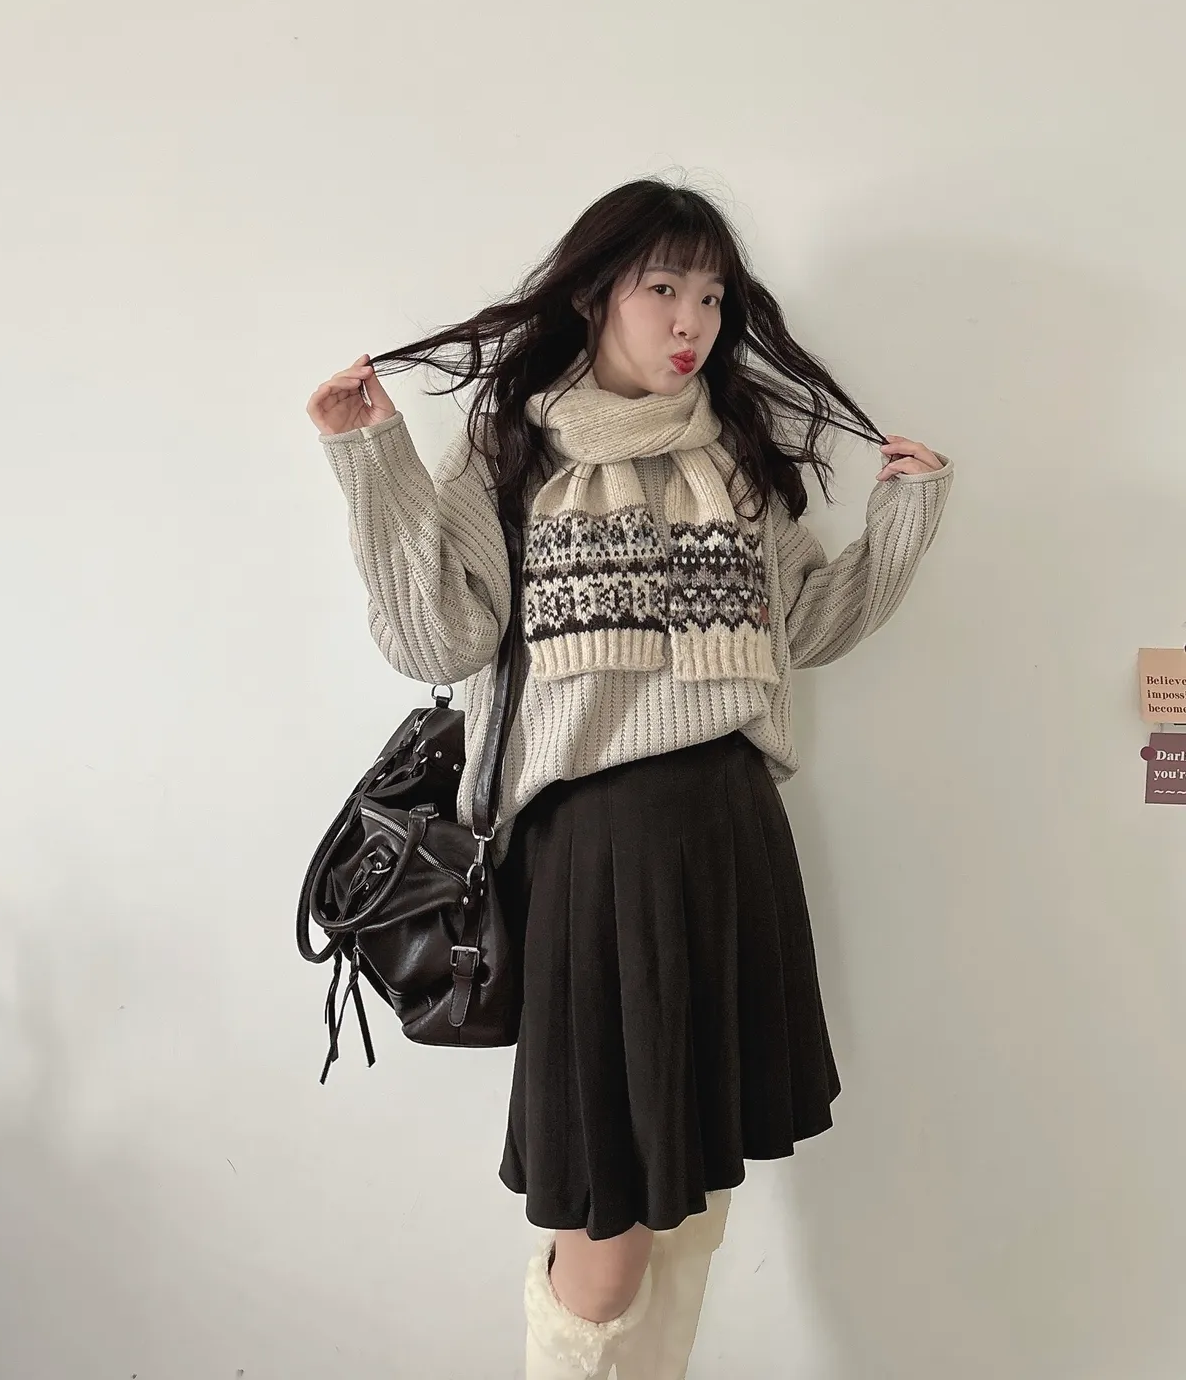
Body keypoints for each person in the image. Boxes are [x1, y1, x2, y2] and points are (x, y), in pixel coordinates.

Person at [305, 178, 954, 1378]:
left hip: (730, 838)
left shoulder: (733, 459)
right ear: (596, 292)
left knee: (690, 1210)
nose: (690, 320)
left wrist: (903, 520)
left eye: (710, 296)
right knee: (604, 1229)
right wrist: (370, 456)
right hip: (594, 859)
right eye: (663, 288)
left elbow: (806, 623)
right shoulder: (515, 453)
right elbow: (437, 635)